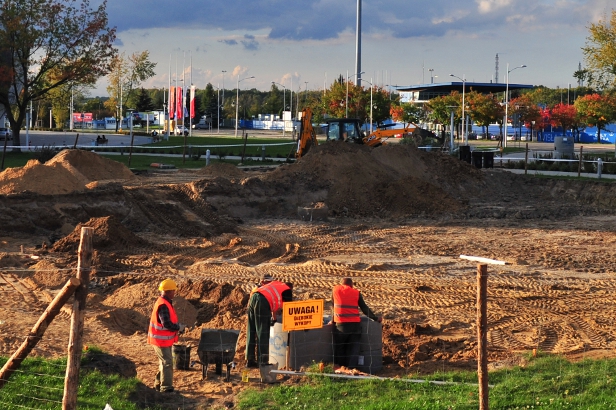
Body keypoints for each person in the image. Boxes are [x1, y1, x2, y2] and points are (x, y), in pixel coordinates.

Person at [331, 277, 382, 369]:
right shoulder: (356, 293)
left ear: (342, 284)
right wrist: (376, 318)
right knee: (354, 349)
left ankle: (342, 370)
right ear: (351, 285)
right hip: (355, 326)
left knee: (340, 348)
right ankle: (352, 369)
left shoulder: (335, 290)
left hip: (341, 326)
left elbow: (333, 306)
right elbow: (365, 308)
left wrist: (332, 320)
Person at [147, 278, 185, 393]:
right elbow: (166, 323)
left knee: (164, 362)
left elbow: (167, 322)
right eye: (173, 291)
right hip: (160, 341)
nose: (175, 293)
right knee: (167, 362)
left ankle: (158, 385)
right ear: (168, 291)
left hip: (162, 340)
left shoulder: (164, 302)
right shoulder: (163, 305)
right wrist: (178, 327)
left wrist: (178, 326)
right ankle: (166, 388)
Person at [245, 280, 293, 368]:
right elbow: (289, 309)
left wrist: (274, 319)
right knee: (263, 332)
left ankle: (249, 360)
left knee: (251, 330)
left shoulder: (276, 285)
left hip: (253, 297)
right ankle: (262, 362)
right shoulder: (287, 290)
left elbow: (273, 303)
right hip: (262, 302)